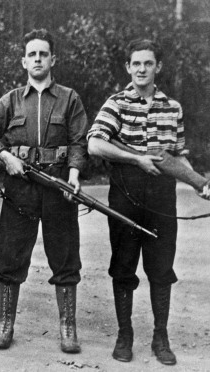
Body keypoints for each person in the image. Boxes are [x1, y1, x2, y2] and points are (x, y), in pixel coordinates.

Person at [87, 39, 209, 365]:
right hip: (125, 194)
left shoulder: (173, 107)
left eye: (148, 63)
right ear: (128, 67)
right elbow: (95, 145)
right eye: (136, 63)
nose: (142, 69)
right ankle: (124, 335)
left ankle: (160, 337)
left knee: (161, 269)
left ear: (158, 67)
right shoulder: (116, 103)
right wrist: (136, 159)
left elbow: (179, 156)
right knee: (124, 266)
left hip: (162, 197)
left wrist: (201, 184)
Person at [0, 29, 88, 352]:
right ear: (24, 61)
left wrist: (75, 175)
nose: (38, 59)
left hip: (59, 189)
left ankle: (68, 329)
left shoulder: (70, 99)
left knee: (66, 259)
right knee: (10, 257)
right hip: (20, 190)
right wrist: (4, 155)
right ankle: (5, 325)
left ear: (53, 59)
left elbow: (79, 141)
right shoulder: (10, 100)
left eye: (44, 54)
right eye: (32, 55)